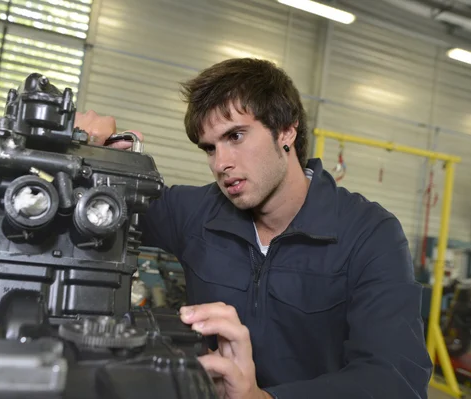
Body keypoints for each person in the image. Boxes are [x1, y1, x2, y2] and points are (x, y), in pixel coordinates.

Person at [75, 58, 433, 399]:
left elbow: (395, 379)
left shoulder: (369, 234)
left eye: (236, 136)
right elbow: (100, 213)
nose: (221, 163)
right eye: (210, 148)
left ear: (286, 130)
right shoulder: (194, 213)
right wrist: (93, 155)